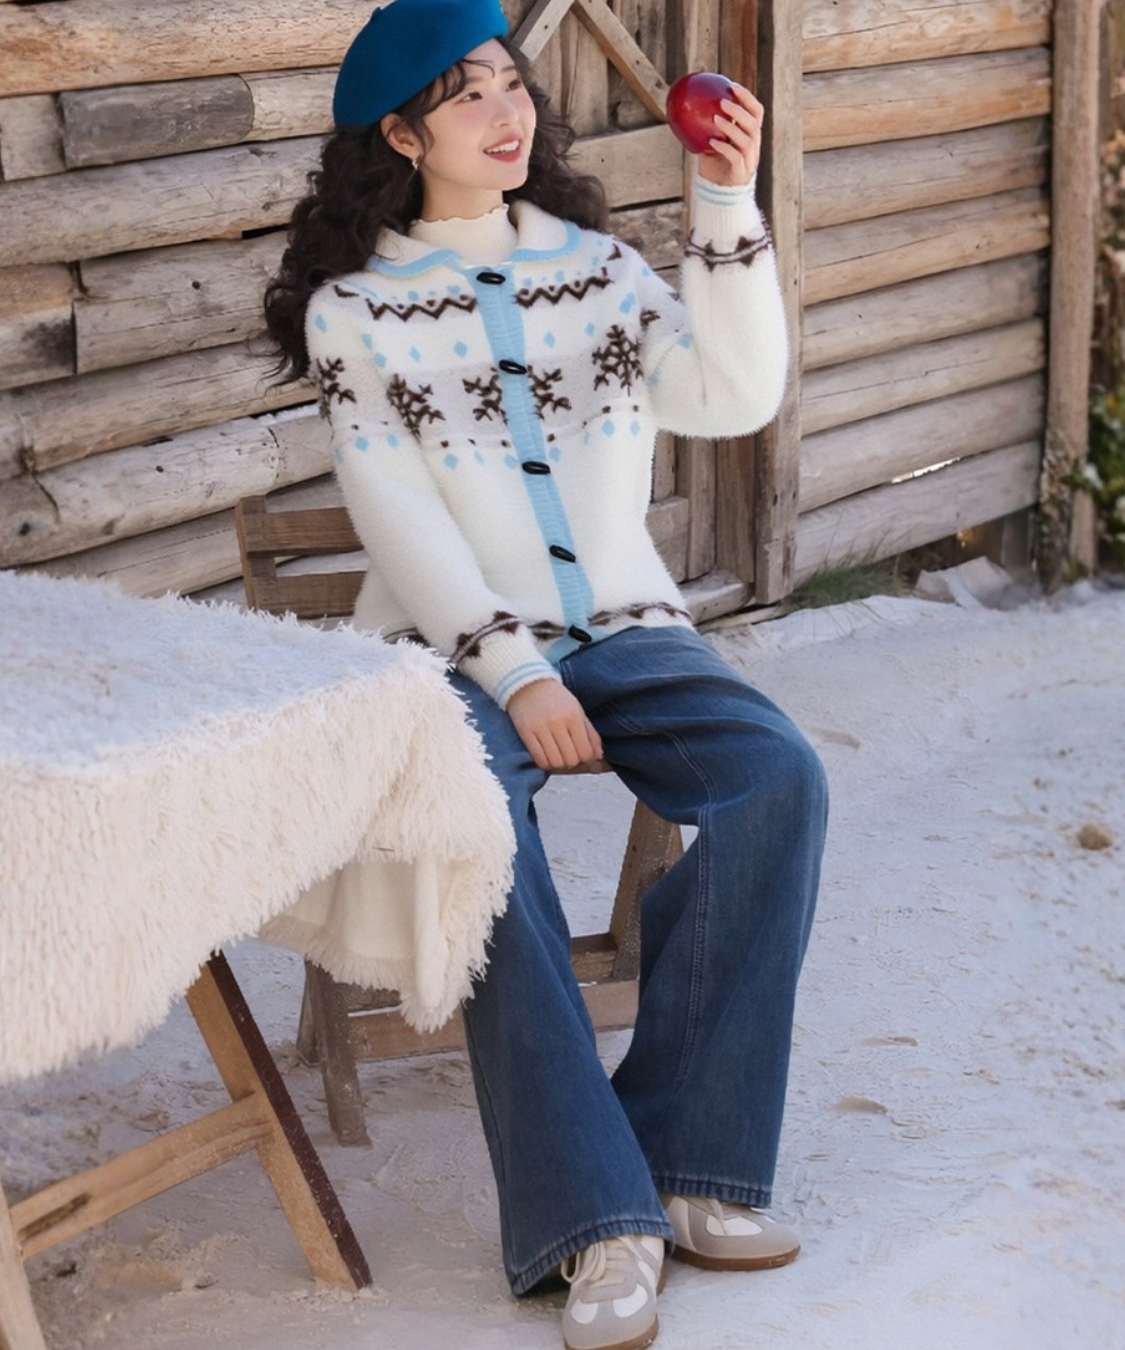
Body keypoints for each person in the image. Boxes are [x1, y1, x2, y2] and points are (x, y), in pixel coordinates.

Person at [265, 2, 828, 1347]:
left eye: (510, 83)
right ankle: (594, 1218)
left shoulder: (600, 271)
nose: (506, 112)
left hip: (630, 625)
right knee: (480, 832)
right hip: (453, 649)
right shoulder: (357, 316)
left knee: (779, 781)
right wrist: (517, 675)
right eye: (466, 96)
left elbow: (736, 393)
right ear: (403, 137)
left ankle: (685, 1162)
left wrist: (726, 203)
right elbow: (400, 519)